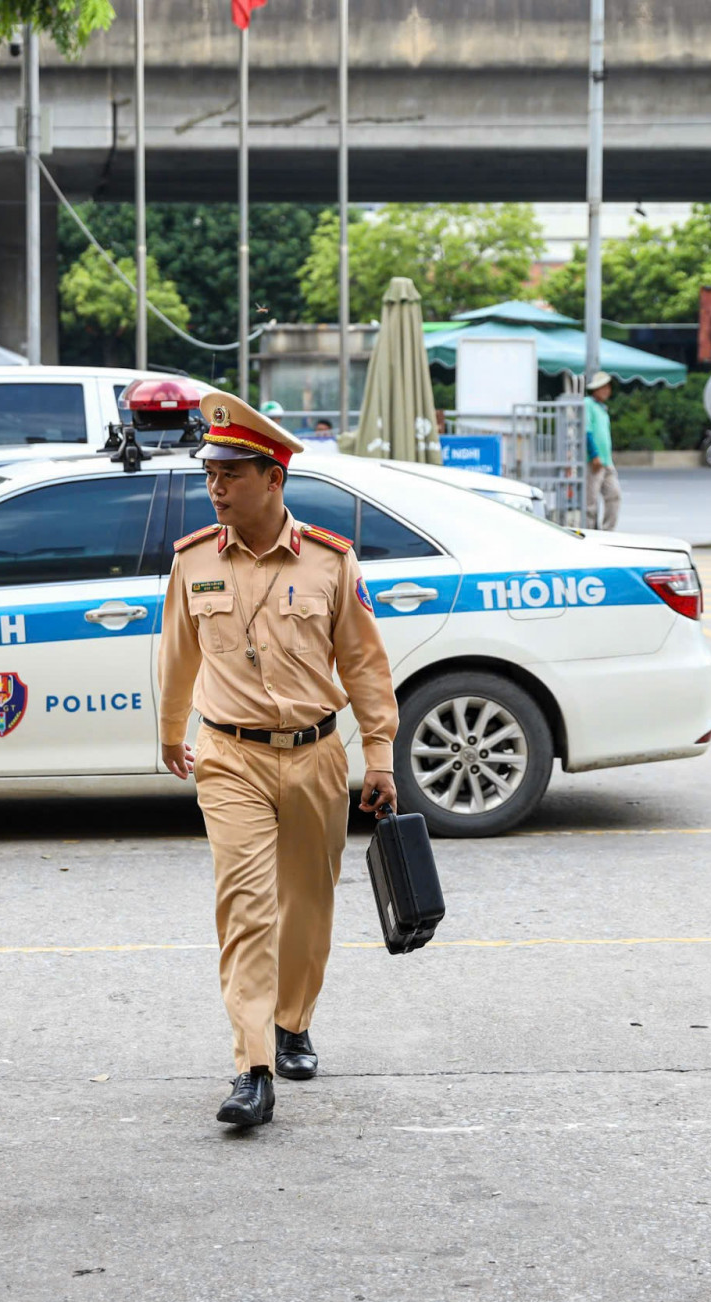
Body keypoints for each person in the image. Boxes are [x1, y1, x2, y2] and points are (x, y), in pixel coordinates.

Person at [158, 390, 400, 1130]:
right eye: (210, 474)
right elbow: (176, 655)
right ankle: (253, 1064)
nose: (216, 486)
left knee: (308, 904)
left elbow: (364, 665)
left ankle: (294, 1019)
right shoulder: (194, 559)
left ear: (274, 479)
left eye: (231, 473)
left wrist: (382, 755)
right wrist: (172, 731)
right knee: (246, 907)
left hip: (316, 755)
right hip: (230, 756)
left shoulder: (331, 562)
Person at [583, 371, 622, 531]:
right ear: (596, 389)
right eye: (603, 387)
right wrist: (594, 455)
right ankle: (590, 533)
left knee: (614, 496)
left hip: (606, 461)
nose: (607, 391)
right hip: (594, 460)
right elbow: (587, 431)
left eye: (608, 387)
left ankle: (608, 531)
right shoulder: (588, 404)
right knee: (590, 504)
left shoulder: (602, 408)